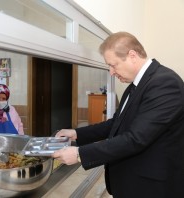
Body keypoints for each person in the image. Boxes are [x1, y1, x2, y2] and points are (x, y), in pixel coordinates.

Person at [52, 32, 184, 198]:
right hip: (131, 181)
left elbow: (136, 138)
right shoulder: (135, 85)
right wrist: (76, 133)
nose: (111, 72)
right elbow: (116, 123)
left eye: (113, 65)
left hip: (151, 187)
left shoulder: (164, 83)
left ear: (132, 55)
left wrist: (79, 154)